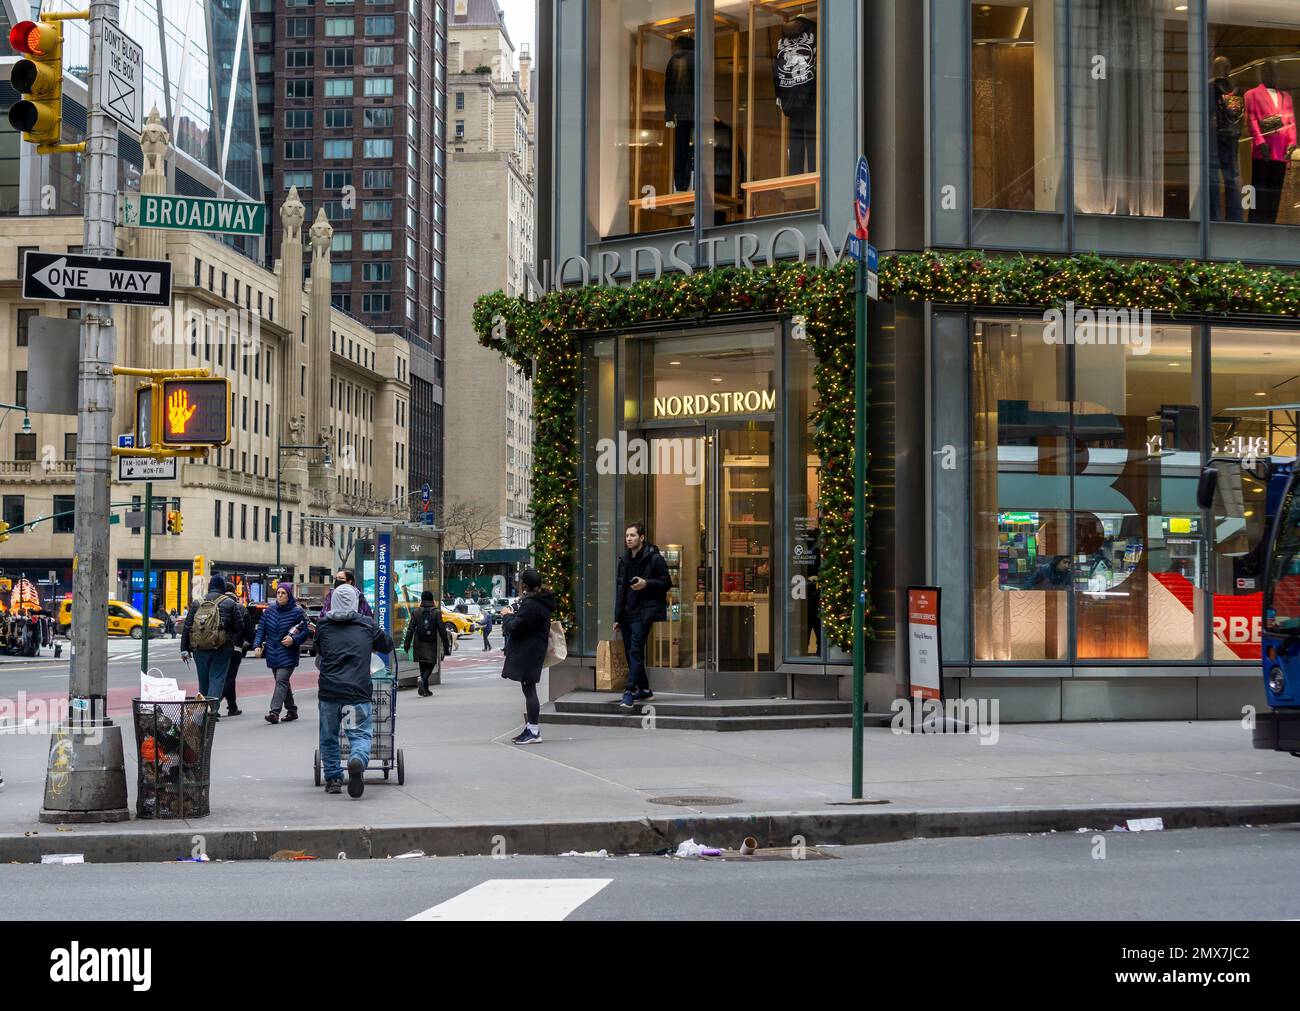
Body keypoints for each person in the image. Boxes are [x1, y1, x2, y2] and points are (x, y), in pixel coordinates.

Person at [313, 583, 393, 797]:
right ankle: (356, 759)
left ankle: (333, 779)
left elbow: (318, 649)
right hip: (357, 692)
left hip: (329, 691)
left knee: (328, 736)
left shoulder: (323, 625)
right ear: (356, 602)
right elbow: (387, 645)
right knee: (360, 735)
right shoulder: (366, 624)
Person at [613, 522, 670, 709]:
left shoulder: (654, 558)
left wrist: (647, 583)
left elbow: (666, 583)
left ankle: (629, 691)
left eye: (633, 535)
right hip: (627, 614)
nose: (629, 539)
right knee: (632, 654)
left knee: (635, 650)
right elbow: (620, 590)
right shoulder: (624, 560)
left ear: (642, 537)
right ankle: (644, 689)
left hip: (643, 613)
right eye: (627, 536)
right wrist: (617, 617)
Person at [500, 568, 556, 746]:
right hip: (533, 650)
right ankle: (531, 727)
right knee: (528, 689)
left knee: (529, 689)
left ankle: (533, 730)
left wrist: (507, 616)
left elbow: (517, 626)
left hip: (529, 652)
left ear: (524, 584)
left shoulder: (532, 604)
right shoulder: (540, 601)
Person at [180, 575, 246, 719]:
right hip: (221, 648)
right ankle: (211, 712)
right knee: (217, 679)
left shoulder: (198, 603)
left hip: (199, 648)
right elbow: (240, 627)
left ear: (209, 586)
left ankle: (202, 712)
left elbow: (187, 626)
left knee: (203, 681)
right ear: (222, 587)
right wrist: (229, 641)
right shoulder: (229, 603)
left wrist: (184, 648)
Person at [254, 584, 312, 723]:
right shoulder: (270, 611)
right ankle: (292, 710)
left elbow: (306, 631)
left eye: (283, 593)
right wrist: (257, 645)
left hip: (289, 652)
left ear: (289, 595)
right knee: (283, 682)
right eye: (278, 593)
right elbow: (261, 629)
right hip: (272, 651)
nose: (280, 595)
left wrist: (293, 639)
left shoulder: (297, 612)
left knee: (281, 681)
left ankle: (274, 712)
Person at [222, 583, 259, 717]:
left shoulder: (215, 605)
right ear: (234, 592)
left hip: (214, 647)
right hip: (234, 647)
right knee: (229, 678)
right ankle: (211, 707)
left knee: (221, 677)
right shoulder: (239, 608)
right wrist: (256, 644)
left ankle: (232, 707)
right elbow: (248, 630)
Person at [402, 590, 444, 697]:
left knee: (422, 664)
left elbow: (410, 629)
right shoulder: (436, 612)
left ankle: (425, 689)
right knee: (430, 663)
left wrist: (406, 644)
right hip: (431, 642)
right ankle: (423, 681)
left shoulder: (416, 612)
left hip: (418, 642)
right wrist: (446, 645)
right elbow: (442, 630)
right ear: (431, 599)